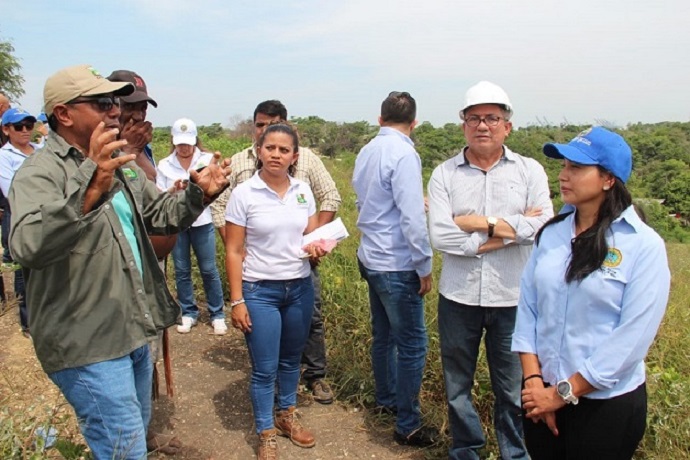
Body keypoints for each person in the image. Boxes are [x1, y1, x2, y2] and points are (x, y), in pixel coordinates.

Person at [8, 64, 231, 460]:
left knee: (129, 444)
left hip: (129, 331)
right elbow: (26, 246)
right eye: (103, 103)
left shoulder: (118, 164)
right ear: (64, 114)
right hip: (87, 344)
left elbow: (160, 214)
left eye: (115, 102)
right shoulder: (38, 174)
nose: (116, 111)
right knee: (124, 451)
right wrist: (91, 184)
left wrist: (200, 195)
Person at [512, 127, 670, 459]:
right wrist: (534, 383)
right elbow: (528, 309)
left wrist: (561, 394)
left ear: (608, 179)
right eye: (564, 166)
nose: (563, 175)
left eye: (576, 168)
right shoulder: (552, 234)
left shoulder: (642, 246)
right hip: (540, 398)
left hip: (604, 407)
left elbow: (632, 339)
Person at [427, 81, 553, 459]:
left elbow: (543, 225)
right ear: (463, 124)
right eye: (475, 118)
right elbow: (440, 235)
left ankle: (515, 454)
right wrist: (509, 232)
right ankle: (466, 449)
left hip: (513, 298)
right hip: (459, 297)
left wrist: (474, 221)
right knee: (457, 385)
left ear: (507, 126)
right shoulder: (444, 174)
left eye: (492, 118)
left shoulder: (529, 171)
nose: (483, 126)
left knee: (513, 388)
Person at [211, 99, 341, 404]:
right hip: (259, 273)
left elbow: (331, 196)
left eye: (275, 126)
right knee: (264, 349)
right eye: (261, 127)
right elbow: (220, 206)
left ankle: (312, 377)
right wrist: (236, 245)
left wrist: (316, 240)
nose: (274, 147)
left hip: (298, 268)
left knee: (311, 321)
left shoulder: (307, 163)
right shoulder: (239, 164)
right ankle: (268, 407)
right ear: (257, 139)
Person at [226, 123, 324, 459]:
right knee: (265, 366)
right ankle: (265, 430)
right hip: (259, 291)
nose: (276, 155)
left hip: (298, 287)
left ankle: (287, 415)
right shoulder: (244, 194)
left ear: (294, 156)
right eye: (271, 148)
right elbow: (234, 250)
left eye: (284, 150)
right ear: (259, 151)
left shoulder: (302, 191)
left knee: (291, 360)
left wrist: (317, 249)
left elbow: (310, 237)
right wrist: (237, 300)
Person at [353, 91, 437, 447]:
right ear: (414, 123)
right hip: (397, 262)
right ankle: (408, 423)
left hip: (371, 255)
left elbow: (370, 199)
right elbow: (411, 218)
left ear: (380, 119)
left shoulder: (368, 150)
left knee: (384, 335)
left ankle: (386, 400)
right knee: (413, 343)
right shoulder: (404, 153)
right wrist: (424, 265)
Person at [107, 69, 182, 455]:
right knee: (125, 359)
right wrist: (128, 151)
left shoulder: (141, 146)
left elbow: (151, 192)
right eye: (126, 107)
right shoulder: (103, 150)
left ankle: (145, 431)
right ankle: (130, 438)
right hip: (121, 280)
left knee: (145, 355)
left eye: (140, 107)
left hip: (150, 270)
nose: (136, 116)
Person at [157, 118, 227, 335]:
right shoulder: (164, 165)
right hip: (178, 223)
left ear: (195, 140)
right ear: (173, 141)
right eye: (179, 144)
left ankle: (217, 314)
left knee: (208, 268)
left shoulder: (207, 160)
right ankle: (188, 312)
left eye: (188, 143)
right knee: (182, 269)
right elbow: (159, 193)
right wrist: (174, 188)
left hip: (201, 220)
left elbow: (218, 187)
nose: (184, 148)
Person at [0, 108, 38, 336]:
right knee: (23, 268)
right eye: (18, 127)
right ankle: (28, 320)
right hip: (20, 215)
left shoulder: (41, 150)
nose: (25, 131)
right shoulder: (4, 157)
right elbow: (12, 189)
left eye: (29, 126)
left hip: (47, 214)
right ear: (6, 129)